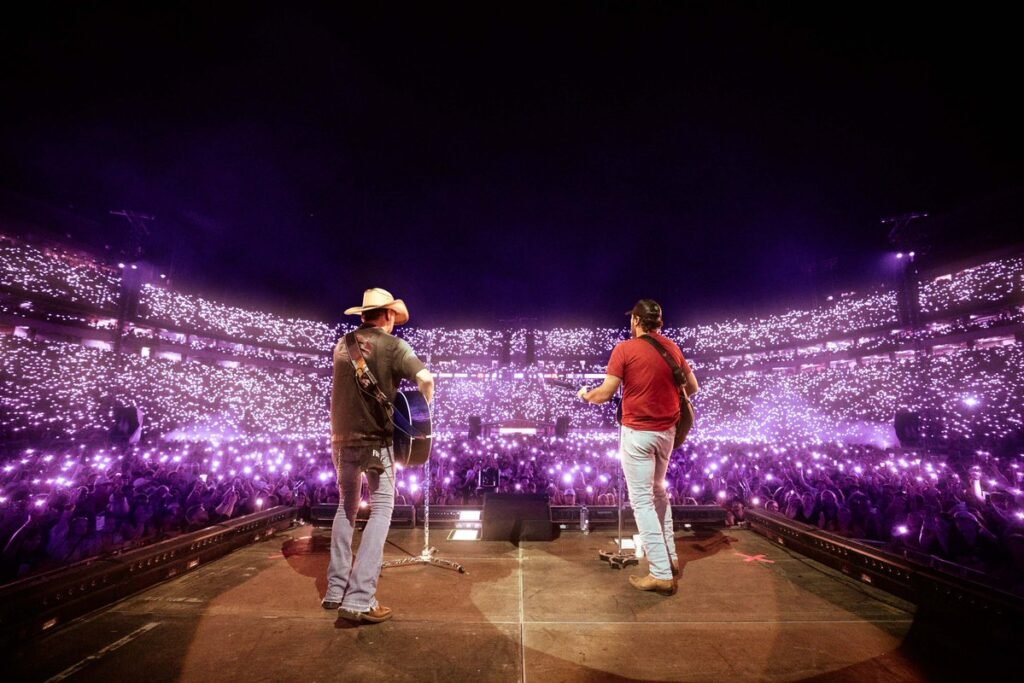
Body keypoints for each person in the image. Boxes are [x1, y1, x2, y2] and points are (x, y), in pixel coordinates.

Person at [322, 288, 434, 624]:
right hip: (377, 442)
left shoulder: (343, 345)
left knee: (346, 507)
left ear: (363, 315)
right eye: (394, 319)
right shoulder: (395, 346)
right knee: (382, 509)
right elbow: (425, 378)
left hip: (341, 441)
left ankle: (334, 590)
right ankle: (359, 598)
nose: (395, 324)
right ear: (386, 315)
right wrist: (424, 412)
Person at [579, 299, 699, 595]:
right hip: (666, 433)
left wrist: (586, 395)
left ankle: (659, 572)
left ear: (635, 320)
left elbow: (605, 394)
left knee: (642, 500)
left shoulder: (625, 349)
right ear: (660, 322)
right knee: (659, 492)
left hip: (638, 433)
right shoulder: (672, 347)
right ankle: (669, 558)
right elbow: (692, 388)